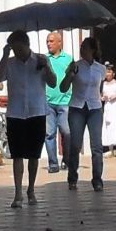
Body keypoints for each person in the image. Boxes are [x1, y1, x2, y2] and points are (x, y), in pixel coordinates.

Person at [0, 30, 57, 208]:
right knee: (18, 155)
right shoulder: (10, 63)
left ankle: (31, 189)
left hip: (37, 112)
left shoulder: (40, 60)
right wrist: (5, 55)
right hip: (16, 114)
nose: (16, 52)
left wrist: (46, 67)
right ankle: (18, 193)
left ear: (27, 45)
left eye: (18, 48)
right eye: (13, 49)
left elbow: (53, 83)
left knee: (34, 155)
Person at [62, 37, 107, 190]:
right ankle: (72, 177)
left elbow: (99, 89)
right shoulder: (75, 66)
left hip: (94, 107)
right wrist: (70, 75)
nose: (82, 49)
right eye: (81, 47)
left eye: (85, 47)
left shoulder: (101, 68)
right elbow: (63, 87)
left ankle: (97, 179)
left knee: (97, 146)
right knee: (75, 144)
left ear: (93, 50)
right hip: (77, 107)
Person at [41, 31, 73, 175]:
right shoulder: (44, 60)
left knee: (66, 132)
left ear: (60, 43)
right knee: (49, 134)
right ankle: (53, 163)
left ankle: (66, 159)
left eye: (52, 41)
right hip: (48, 102)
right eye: (48, 41)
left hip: (65, 101)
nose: (49, 44)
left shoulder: (68, 59)